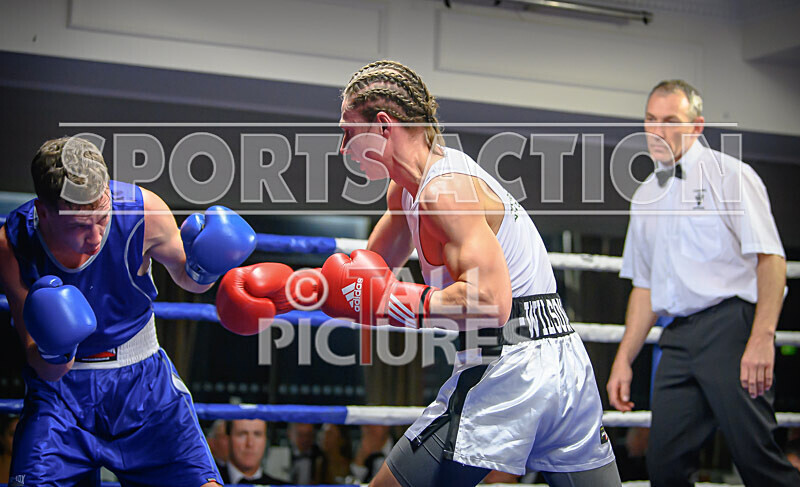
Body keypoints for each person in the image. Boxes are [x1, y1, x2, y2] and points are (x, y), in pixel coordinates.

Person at [216, 60, 620, 486]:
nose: (342, 148)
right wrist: (290, 290)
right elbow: (364, 274)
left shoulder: (444, 191)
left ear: (384, 127)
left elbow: (489, 302)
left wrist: (393, 300)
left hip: (508, 363)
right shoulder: (408, 190)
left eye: (348, 132)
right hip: (563, 363)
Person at [0, 136, 256, 486]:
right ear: (43, 213)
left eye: (101, 219)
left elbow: (188, 279)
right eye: (78, 225)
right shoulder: (14, 243)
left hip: (143, 384)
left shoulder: (143, 212)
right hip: (61, 398)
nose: (94, 237)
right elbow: (41, 364)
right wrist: (56, 349)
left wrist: (206, 267)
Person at [606, 80, 800, 487]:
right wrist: (625, 357)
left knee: (757, 460)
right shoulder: (644, 196)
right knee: (664, 465)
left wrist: (763, 336)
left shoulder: (730, 176)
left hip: (731, 328)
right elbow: (645, 288)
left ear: (696, 127)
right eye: (650, 120)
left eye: (671, 121)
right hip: (677, 338)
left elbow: (772, 259)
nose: (657, 130)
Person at [217, 419, 287, 485]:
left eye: (257, 434)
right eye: (242, 434)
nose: (250, 443)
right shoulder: (209, 483)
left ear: (266, 439)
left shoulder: (283, 486)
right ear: (228, 439)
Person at [0, 415, 19, 482]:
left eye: (22, 434)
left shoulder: (36, 465)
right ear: (2, 438)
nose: (17, 438)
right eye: (13, 434)